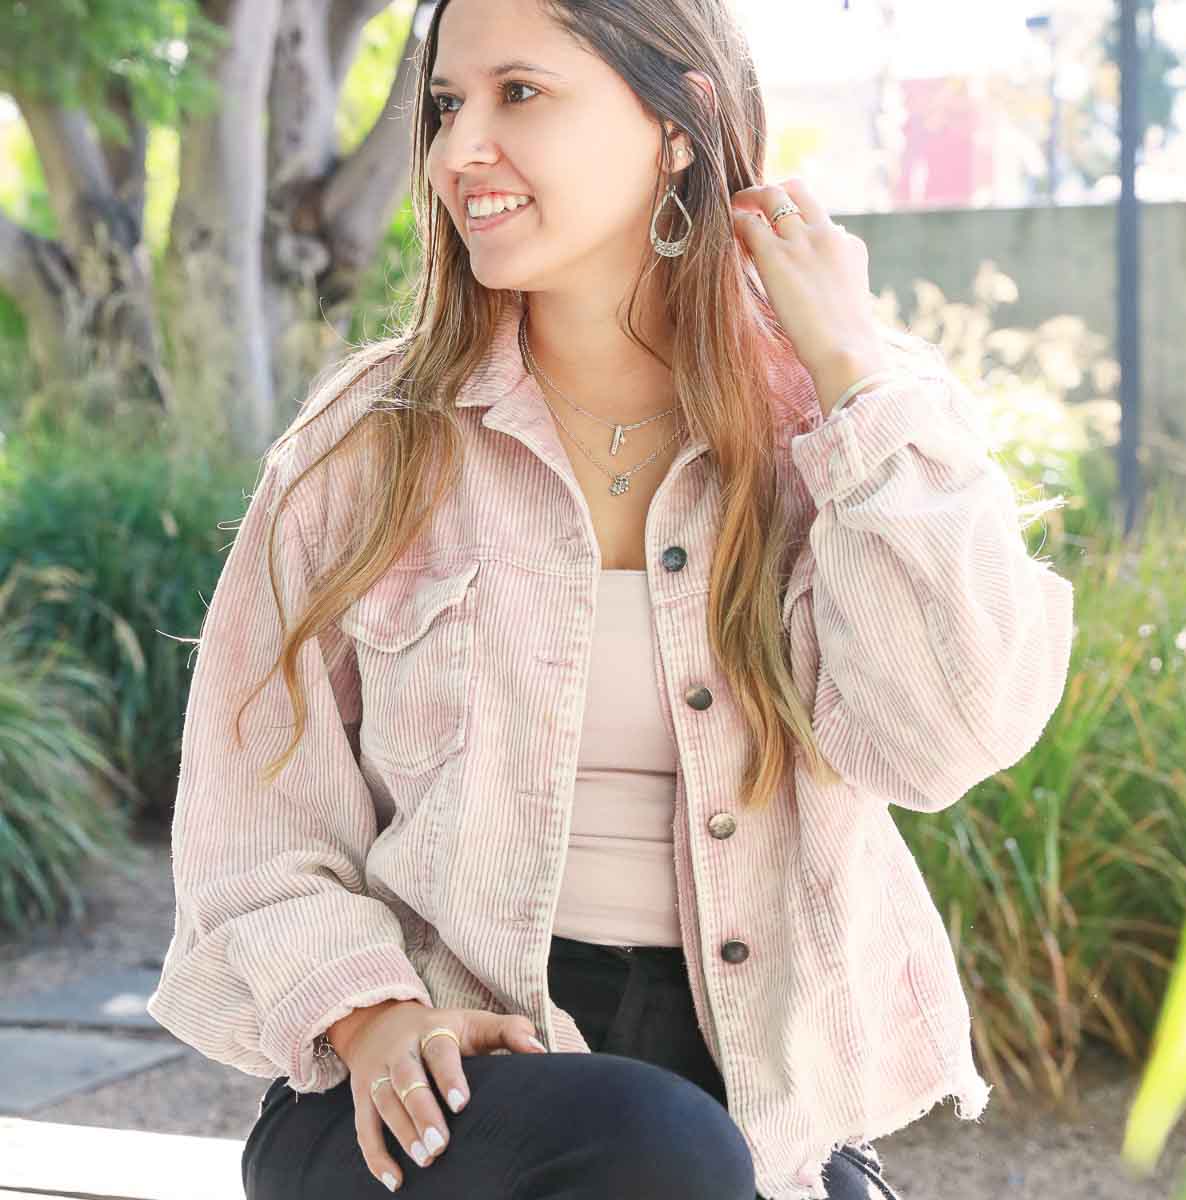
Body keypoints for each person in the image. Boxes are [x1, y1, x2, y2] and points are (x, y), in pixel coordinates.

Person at [146, 0, 1077, 1197]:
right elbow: (247, 830)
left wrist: (853, 373)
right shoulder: (364, 450)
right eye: (444, 105)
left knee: (691, 1155)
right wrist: (369, 1015)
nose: (452, 151)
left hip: (758, 1113)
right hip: (424, 1104)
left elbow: (944, 740)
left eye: (518, 94)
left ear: (676, 126)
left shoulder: (835, 434)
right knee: (657, 1151)